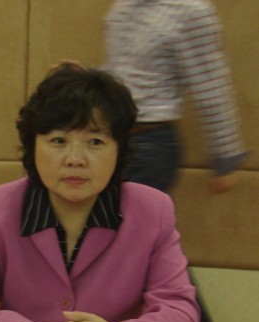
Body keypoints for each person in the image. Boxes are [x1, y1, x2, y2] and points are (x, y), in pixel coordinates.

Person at [0, 63, 201, 322]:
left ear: (119, 150)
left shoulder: (151, 210)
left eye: (95, 142)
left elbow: (181, 313)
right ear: (33, 146)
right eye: (58, 141)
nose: (75, 159)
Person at [104, 0, 248, 194]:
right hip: (109, 137)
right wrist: (83, 78)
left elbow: (210, 86)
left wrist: (226, 158)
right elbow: (125, 73)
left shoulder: (190, 12)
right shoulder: (123, 7)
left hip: (149, 141)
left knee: (133, 213)